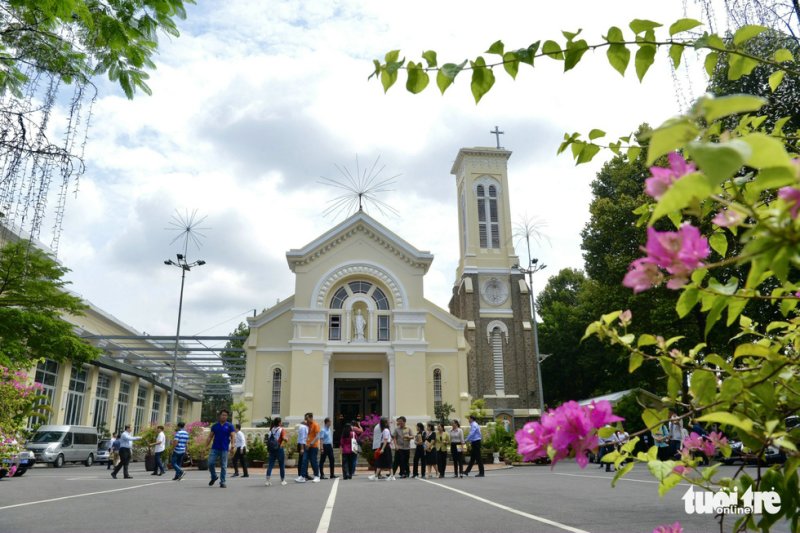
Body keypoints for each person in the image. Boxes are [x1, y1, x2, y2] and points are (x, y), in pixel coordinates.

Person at [205, 409, 237, 488]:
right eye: (223, 415)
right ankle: (214, 476)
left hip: (224, 449)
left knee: (223, 466)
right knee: (210, 463)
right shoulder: (215, 426)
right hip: (214, 448)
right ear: (220, 416)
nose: (224, 416)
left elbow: (233, 436)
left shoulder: (230, 426)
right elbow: (210, 437)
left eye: (226, 415)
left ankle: (222, 482)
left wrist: (232, 445)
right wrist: (205, 447)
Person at [298, 412, 321, 483]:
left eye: (307, 418)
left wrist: (311, 444)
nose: (306, 420)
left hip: (313, 446)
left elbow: (317, 436)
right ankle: (302, 476)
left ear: (311, 418)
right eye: (305, 419)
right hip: (306, 446)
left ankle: (317, 476)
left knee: (313, 461)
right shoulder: (306, 426)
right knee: (304, 461)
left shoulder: (315, 425)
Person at [265, 417, 287, 486]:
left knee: (270, 464)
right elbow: (284, 438)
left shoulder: (271, 430)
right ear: (279, 423)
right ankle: (282, 480)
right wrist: (286, 439)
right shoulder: (281, 429)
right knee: (281, 465)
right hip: (279, 448)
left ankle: (267, 480)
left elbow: (268, 439)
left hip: (272, 449)